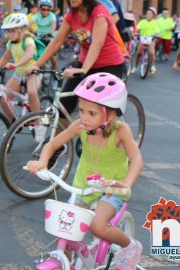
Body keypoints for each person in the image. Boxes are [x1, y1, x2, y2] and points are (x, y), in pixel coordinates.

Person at [27, 73, 143, 269]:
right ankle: (67, 263)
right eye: (81, 110)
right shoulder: (80, 126)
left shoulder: (120, 130)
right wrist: (43, 161)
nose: (84, 117)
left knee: (98, 226)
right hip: (83, 186)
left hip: (111, 188)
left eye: (92, 113)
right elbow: (53, 143)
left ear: (110, 115)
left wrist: (126, 184)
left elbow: (137, 159)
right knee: (66, 229)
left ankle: (130, 246)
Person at [27, 0, 125, 115]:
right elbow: (57, 41)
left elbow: (97, 43)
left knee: (98, 112)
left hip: (110, 65)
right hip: (85, 63)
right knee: (62, 109)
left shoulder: (99, 12)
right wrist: (37, 64)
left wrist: (83, 70)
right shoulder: (72, 14)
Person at [0, 14, 42, 126]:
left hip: (33, 73)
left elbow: (29, 55)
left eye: (12, 31)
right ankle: (14, 123)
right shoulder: (10, 43)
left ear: (21, 29)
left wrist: (16, 64)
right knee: (4, 98)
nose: (9, 34)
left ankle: (38, 123)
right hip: (19, 74)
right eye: (7, 31)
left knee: (32, 93)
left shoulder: (28, 40)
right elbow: (4, 58)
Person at [33, 0, 58, 71]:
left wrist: (50, 32)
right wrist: (29, 31)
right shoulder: (37, 16)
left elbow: (53, 26)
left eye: (48, 10)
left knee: (53, 59)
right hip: (39, 38)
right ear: (40, 9)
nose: (45, 11)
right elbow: (29, 25)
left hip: (49, 38)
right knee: (35, 56)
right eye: (43, 9)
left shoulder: (52, 16)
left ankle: (55, 75)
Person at [133, 7, 160, 74]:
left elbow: (157, 31)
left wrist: (156, 34)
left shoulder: (155, 23)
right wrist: (135, 33)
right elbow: (137, 28)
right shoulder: (142, 21)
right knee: (138, 53)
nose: (148, 15)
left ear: (153, 15)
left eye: (150, 14)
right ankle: (135, 67)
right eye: (147, 13)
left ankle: (153, 66)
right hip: (142, 39)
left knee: (152, 52)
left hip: (150, 39)